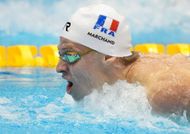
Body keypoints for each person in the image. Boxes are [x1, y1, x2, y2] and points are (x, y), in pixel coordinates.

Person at [56, 4, 190, 121]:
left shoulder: (164, 92)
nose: (59, 68)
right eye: (60, 55)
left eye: (70, 55)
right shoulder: (125, 84)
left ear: (108, 56)